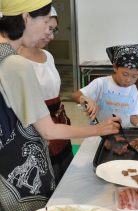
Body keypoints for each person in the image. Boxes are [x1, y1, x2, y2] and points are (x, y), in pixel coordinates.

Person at [0, 1, 120, 211]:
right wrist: (99, 130)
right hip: (19, 166)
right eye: (45, 22)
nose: (48, 30)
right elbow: (48, 131)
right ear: (25, 18)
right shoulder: (16, 64)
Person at [17, 7, 72, 185]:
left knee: (64, 173)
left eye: (54, 30)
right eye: (49, 28)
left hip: (58, 124)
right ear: (29, 22)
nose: (52, 36)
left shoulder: (48, 55)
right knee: (42, 176)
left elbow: (52, 92)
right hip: (35, 127)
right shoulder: (14, 61)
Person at [72, 44, 138, 128]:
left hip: (123, 134)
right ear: (115, 67)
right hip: (100, 131)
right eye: (125, 74)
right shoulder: (101, 83)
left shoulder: (133, 90)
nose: (129, 80)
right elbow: (75, 95)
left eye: (134, 76)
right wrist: (85, 99)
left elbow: (132, 116)